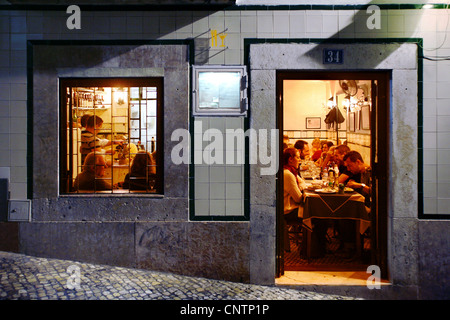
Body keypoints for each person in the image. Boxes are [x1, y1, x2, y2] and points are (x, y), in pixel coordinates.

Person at [283, 147, 307, 252]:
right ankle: (308, 249)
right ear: (290, 159)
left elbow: (302, 182)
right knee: (314, 214)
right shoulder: (288, 174)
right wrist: (301, 187)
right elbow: (298, 199)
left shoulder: (289, 171)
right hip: (287, 210)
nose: (300, 160)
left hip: (288, 207)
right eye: (297, 157)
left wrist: (300, 186)